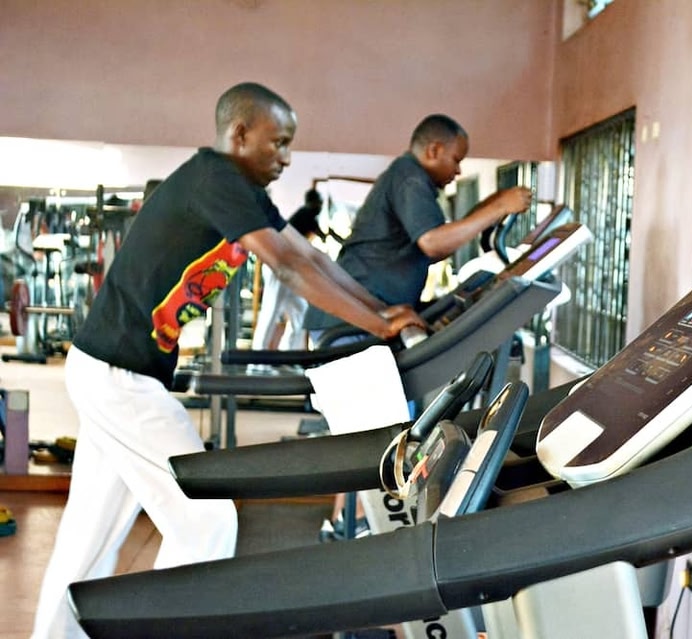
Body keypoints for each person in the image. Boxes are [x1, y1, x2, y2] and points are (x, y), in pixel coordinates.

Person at [31, 82, 424, 639]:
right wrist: (379, 325)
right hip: (118, 379)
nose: (286, 158)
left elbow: (308, 255)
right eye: (278, 143)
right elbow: (287, 267)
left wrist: (381, 311)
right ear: (240, 134)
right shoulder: (214, 179)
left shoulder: (240, 188)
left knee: (88, 538)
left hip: (114, 373)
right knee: (206, 518)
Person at [303, 113, 533, 339]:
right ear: (434, 150)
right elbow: (433, 243)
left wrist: (491, 206)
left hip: (360, 315)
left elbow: (439, 244)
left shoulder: (408, 177)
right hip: (349, 321)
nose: (458, 171)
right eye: (456, 160)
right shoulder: (409, 177)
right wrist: (499, 207)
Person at [251, 187, 325, 350]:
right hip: (278, 265)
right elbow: (323, 235)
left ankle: (289, 353)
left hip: (289, 268)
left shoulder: (307, 215)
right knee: (271, 310)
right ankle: (258, 357)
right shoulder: (307, 214)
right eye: (319, 203)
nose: (320, 207)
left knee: (300, 310)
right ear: (312, 203)